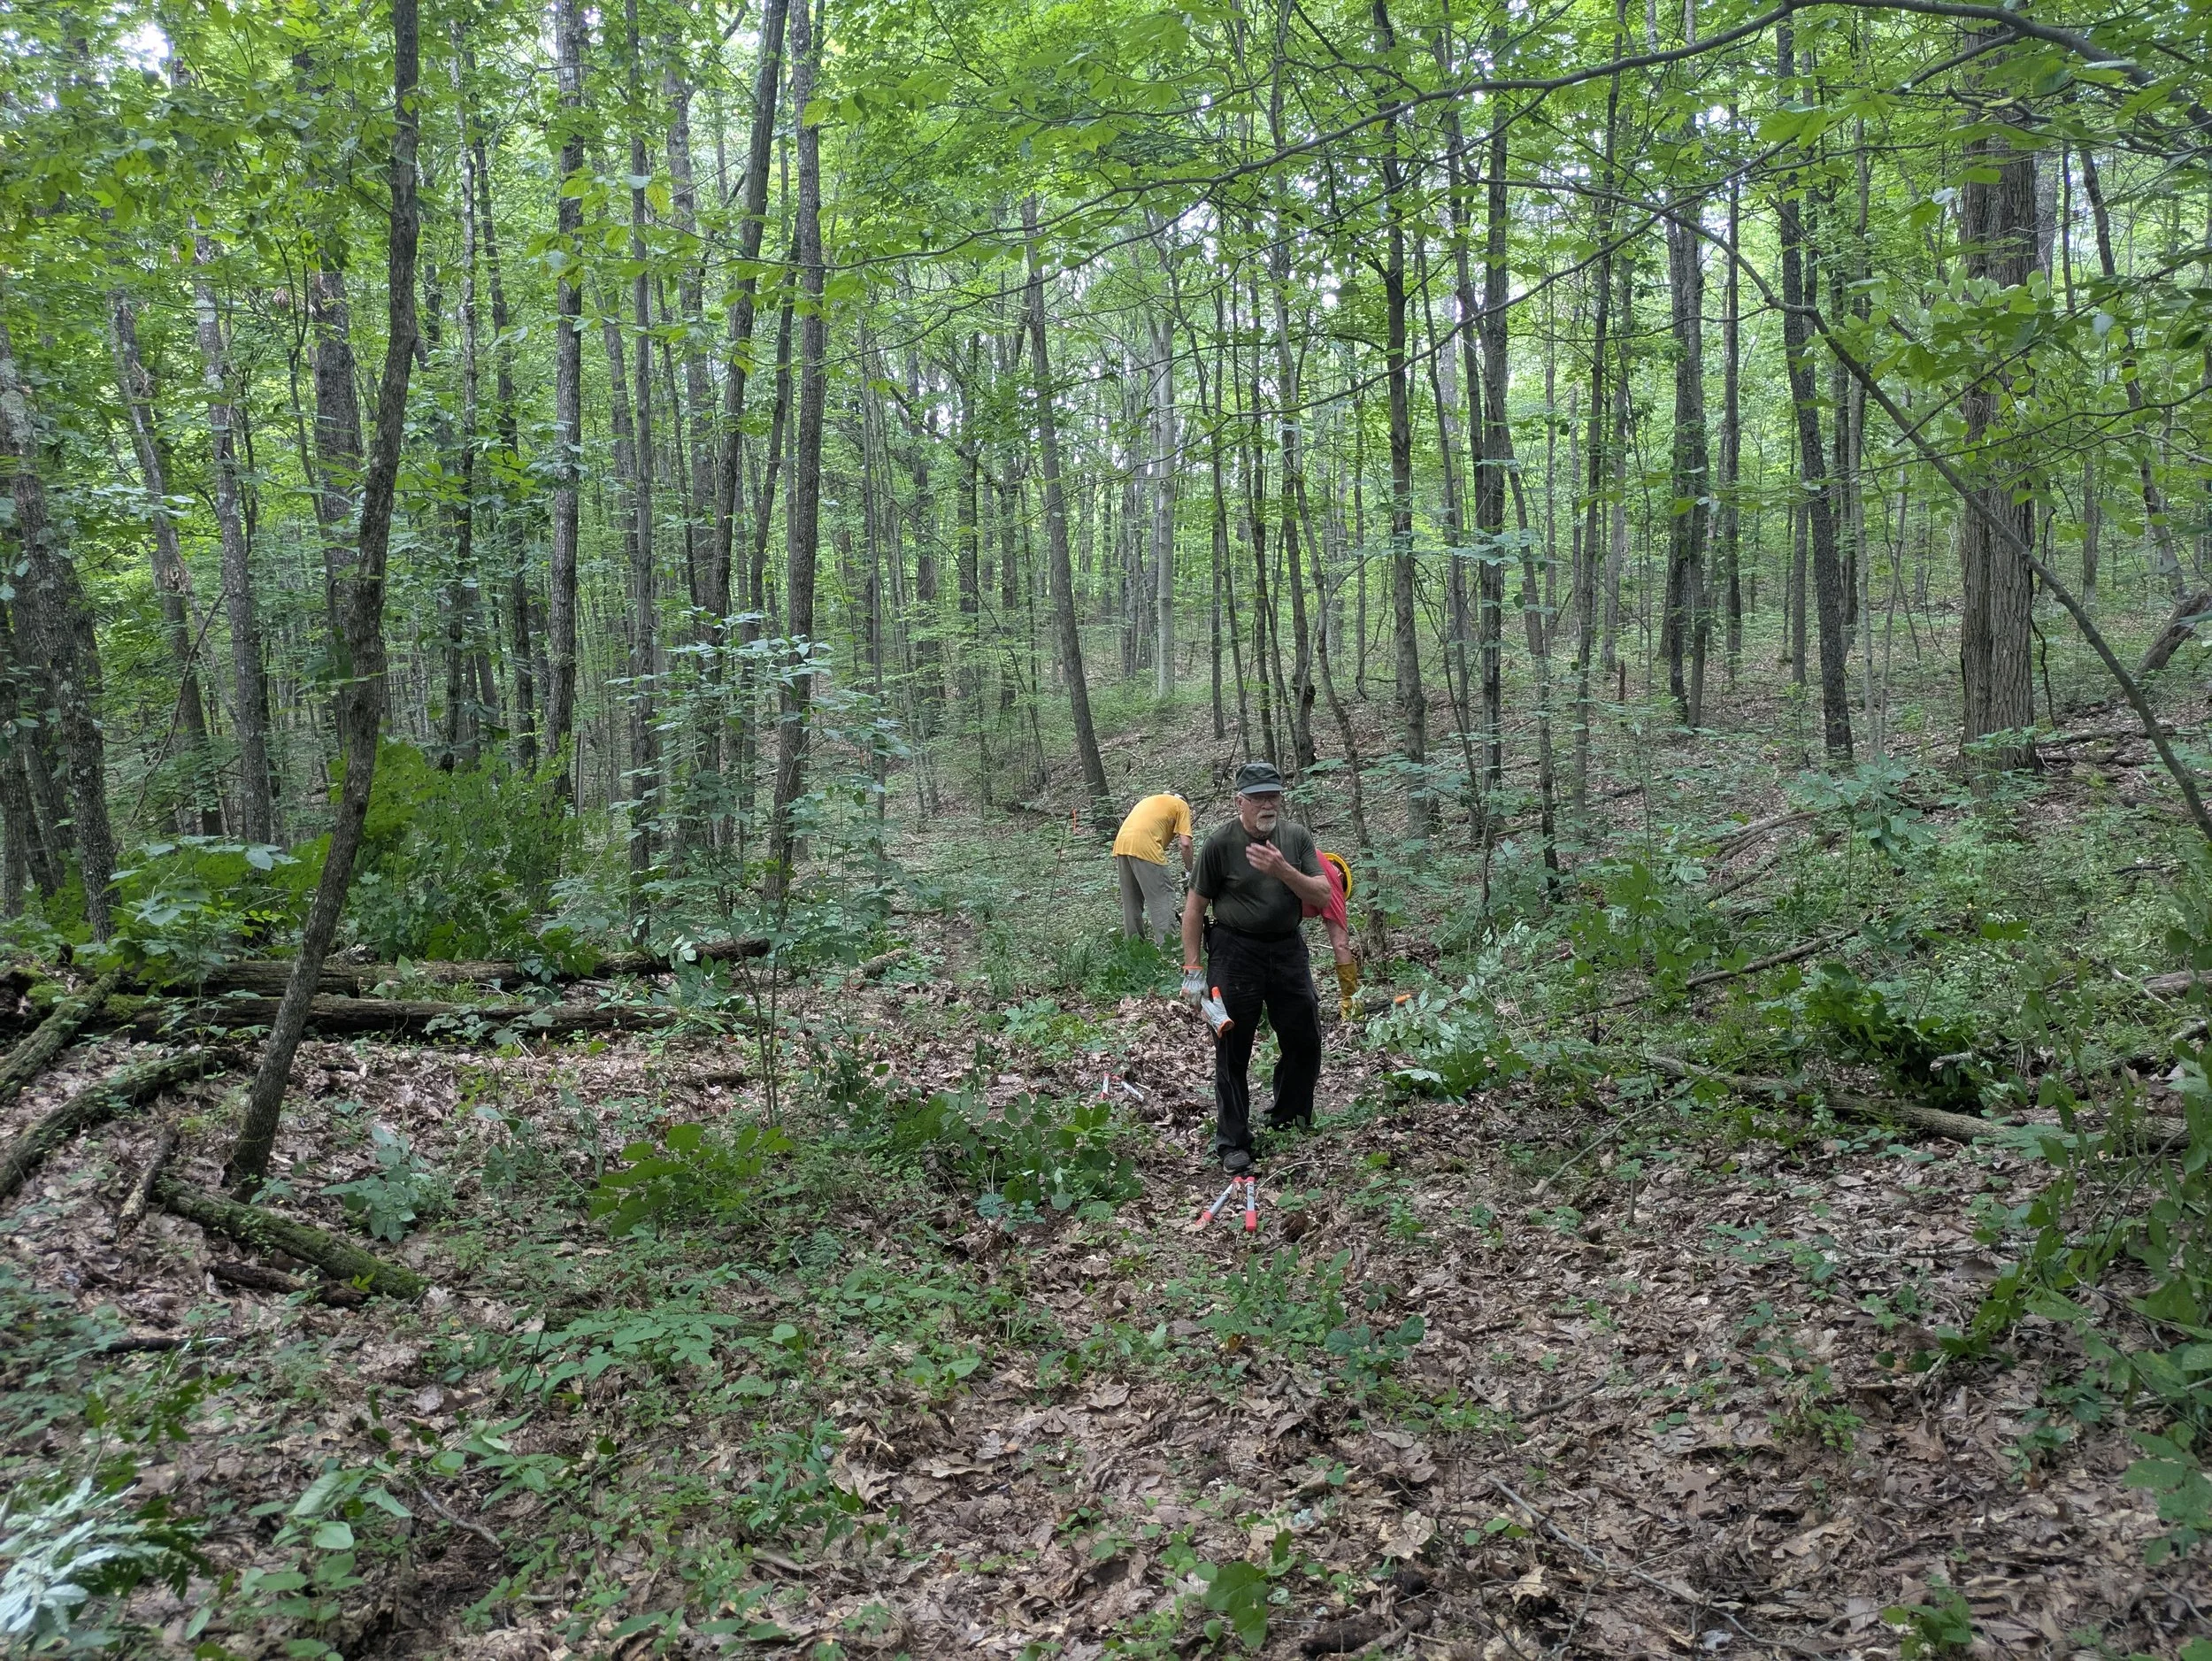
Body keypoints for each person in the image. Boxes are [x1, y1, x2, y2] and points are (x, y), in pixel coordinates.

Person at [1180, 761, 1333, 1173]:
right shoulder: (1219, 844)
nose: (1268, 805)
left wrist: (1283, 869)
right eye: (1259, 798)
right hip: (1234, 951)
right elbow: (1194, 908)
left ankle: (1291, 1117)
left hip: (1287, 950)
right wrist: (1193, 969)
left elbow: (1322, 894)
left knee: (1304, 1037)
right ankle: (1233, 1141)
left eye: (1274, 796)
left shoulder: (1296, 837)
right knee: (1232, 1047)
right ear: (1240, 802)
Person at [1111, 790, 1193, 949]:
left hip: (1121, 845)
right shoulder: (1181, 805)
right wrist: (1190, 870)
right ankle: (1169, 950)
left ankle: (1134, 949)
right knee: (1162, 899)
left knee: (1131, 902)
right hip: (1146, 847)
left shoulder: (1150, 800)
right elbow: (1185, 844)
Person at [1306, 850, 1360, 1022]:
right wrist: (1350, 1000)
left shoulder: (1310, 856)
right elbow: (1341, 945)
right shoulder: (1333, 880)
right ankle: (1351, 1007)